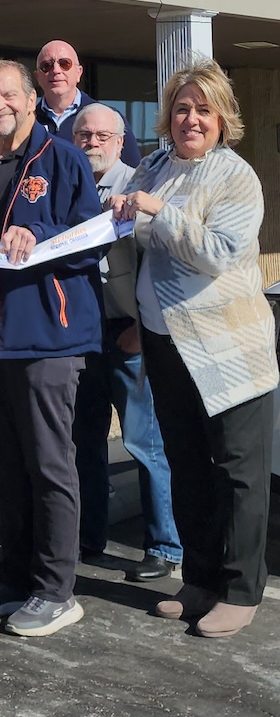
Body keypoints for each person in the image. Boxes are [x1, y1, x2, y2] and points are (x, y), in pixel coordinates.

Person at [112, 59, 277, 638]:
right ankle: (201, 578)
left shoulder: (236, 176)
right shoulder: (152, 166)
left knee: (237, 473)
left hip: (229, 353)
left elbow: (219, 253)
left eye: (203, 109)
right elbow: (117, 226)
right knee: (186, 466)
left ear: (223, 118)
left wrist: (159, 212)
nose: (191, 119)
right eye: (182, 108)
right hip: (165, 346)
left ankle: (239, 589)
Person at [0, 59, 103, 637]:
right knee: (4, 465)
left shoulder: (60, 157)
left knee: (48, 463)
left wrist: (41, 237)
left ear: (32, 98)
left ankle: (57, 589)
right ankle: (14, 578)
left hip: (43, 337)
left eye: (9, 94)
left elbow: (92, 241)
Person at [70, 104, 181, 581]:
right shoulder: (67, 187)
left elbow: (159, 263)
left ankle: (164, 547)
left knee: (144, 443)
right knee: (83, 444)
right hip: (77, 337)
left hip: (126, 333)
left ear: (119, 141)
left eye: (101, 136)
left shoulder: (142, 184)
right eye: (83, 135)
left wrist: (140, 325)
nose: (92, 143)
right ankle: (87, 538)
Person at [33, 40, 140, 165]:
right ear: (37, 77)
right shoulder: (27, 122)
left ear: (79, 73)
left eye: (64, 64)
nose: (56, 70)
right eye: (46, 66)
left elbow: (133, 171)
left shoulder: (109, 117)